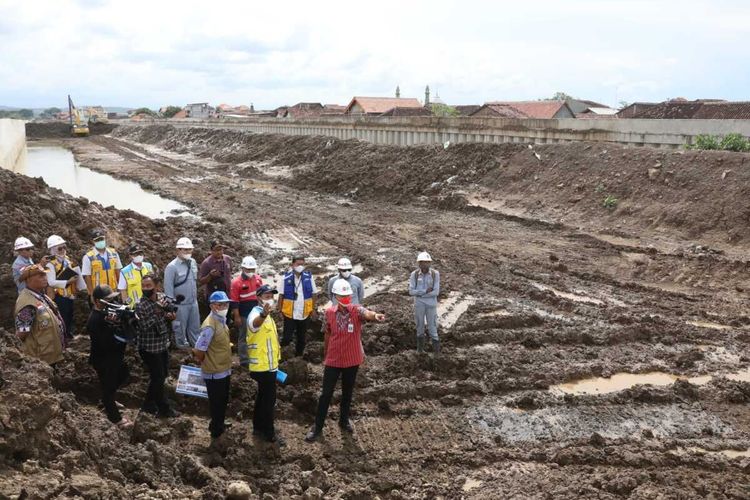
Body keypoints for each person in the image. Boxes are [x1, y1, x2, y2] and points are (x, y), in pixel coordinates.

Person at [305, 279, 385, 442]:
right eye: (342, 295)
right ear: (335, 296)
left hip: (351, 359)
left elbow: (367, 313)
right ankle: (318, 426)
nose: (346, 297)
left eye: (348, 295)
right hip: (333, 359)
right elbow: (327, 334)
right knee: (326, 394)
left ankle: (343, 420)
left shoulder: (356, 311)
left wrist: (376, 316)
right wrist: (326, 354)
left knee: (347, 392)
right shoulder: (329, 313)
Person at [87, 285, 132, 429]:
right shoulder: (95, 319)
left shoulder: (109, 313)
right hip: (104, 359)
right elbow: (105, 343)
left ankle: (109, 399)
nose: (113, 302)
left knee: (124, 375)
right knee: (108, 386)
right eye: (109, 300)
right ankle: (115, 417)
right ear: (98, 302)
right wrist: (113, 327)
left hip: (115, 357)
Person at [134, 275, 179, 418]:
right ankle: (164, 409)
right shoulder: (141, 306)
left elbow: (168, 313)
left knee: (161, 376)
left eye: (148, 286)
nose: (145, 289)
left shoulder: (161, 298)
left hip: (162, 344)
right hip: (149, 348)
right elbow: (144, 326)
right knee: (158, 378)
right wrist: (156, 312)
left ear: (157, 286)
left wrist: (170, 315)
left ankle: (148, 404)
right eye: (143, 286)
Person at [193, 291, 233, 448]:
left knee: (222, 401)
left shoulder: (221, 320)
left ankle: (220, 423)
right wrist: (208, 363)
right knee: (216, 403)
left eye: (225, 304)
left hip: (224, 369)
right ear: (212, 306)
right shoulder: (210, 325)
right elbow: (199, 351)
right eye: (219, 304)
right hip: (214, 372)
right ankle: (216, 432)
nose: (223, 307)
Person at [246, 284, 281, 443]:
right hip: (262, 366)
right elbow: (255, 324)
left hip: (269, 364)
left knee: (262, 397)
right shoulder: (256, 313)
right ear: (259, 297)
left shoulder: (270, 317)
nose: (270, 299)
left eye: (271, 296)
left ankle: (258, 426)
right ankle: (269, 432)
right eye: (266, 296)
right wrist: (263, 314)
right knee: (269, 400)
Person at [14, 264, 65, 365]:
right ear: (28, 280)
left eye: (45, 275)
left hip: (51, 355)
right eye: (40, 276)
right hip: (41, 359)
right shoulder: (27, 303)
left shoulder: (41, 296)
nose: (45, 278)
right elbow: (21, 333)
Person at [45, 235, 85, 339]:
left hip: (69, 294)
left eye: (64, 247)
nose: (63, 250)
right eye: (59, 248)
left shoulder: (67, 260)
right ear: (53, 250)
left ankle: (68, 335)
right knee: (62, 317)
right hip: (59, 296)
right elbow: (51, 282)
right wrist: (67, 281)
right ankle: (62, 338)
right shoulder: (50, 264)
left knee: (69, 315)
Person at [164, 237, 200, 348]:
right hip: (180, 306)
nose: (188, 252)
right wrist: (171, 308)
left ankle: (197, 351)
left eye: (189, 250)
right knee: (179, 330)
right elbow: (168, 289)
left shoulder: (193, 262)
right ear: (178, 250)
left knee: (195, 329)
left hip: (193, 303)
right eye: (185, 250)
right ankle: (182, 353)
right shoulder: (172, 267)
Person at [278, 255, 317, 357]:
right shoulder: (285, 278)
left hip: (304, 312)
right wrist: (279, 310)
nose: (300, 266)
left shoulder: (309, 277)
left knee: (302, 337)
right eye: (298, 264)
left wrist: (313, 309)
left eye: (302, 264)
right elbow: (281, 295)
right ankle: (282, 355)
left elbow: (314, 294)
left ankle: (298, 357)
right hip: (289, 313)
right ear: (292, 264)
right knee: (287, 337)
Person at [229, 256, 263, 368]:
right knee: (243, 336)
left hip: (255, 311)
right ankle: (244, 360)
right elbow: (234, 302)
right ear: (243, 268)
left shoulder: (257, 279)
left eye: (252, 270)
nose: (250, 272)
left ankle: (256, 355)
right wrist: (237, 317)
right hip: (243, 313)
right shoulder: (236, 283)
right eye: (248, 270)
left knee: (256, 334)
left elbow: (260, 295)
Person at [409, 251, 441, 354]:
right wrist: (425, 291)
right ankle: (420, 351)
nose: (424, 264)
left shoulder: (435, 274)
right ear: (419, 263)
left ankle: (436, 354)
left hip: (431, 305)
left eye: (427, 262)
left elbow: (436, 292)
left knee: (432, 328)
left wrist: (420, 294)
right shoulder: (414, 275)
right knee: (420, 327)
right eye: (422, 262)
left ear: (430, 263)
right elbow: (411, 291)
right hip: (419, 305)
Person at [81, 230, 122, 302]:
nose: (100, 241)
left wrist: (121, 289)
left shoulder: (114, 253)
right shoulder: (88, 257)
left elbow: (118, 271)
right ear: (93, 242)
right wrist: (91, 294)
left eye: (101, 239)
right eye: (97, 240)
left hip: (113, 292)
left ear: (105, 239)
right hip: (98, 294)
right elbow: (87, 277)